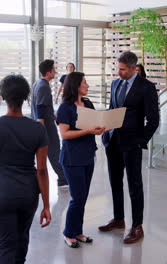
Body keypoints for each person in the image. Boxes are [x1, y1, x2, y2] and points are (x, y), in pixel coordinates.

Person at [0, 74, 51, 264]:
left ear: (3, 97)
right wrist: (46, 205)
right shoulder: (38, 129)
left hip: (2, 194)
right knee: (22, 242)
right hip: (28, 194)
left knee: (6, 246)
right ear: (25, 98)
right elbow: (42, 170)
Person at [99, 51, 159, 244]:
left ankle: (137, 226)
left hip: (132, 144)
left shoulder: (146, 87)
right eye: (118, 68)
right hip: (113, 141)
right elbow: (111, 108)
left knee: (134, 186)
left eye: (123, 69)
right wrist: (105, 128)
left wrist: (141, 141)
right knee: (115, 182)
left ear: (134, 68)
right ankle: (118, 219)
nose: (119, 72)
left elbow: (153, 119)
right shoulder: (116, 84)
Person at [56, 72, 105, 248]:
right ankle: (68, 233)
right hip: (71, 158)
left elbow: (94, 124)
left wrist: (100, 128)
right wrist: (88, 131)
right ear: (76, 85)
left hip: (87, 155)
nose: (88, 85)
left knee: (82, 197)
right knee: (77, 197)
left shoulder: (88, 103)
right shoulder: (65, 108)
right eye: (85, 82)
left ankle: (77, 231)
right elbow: (65, 134)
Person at [31, 59, 68, 188]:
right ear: (48, 72)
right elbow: (40, 107)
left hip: (44, 123)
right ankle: (63, 178)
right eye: (53, 69)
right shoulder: (43, 86)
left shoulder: (38, 84)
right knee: (55, 151)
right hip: (45, 127)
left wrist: (52, 115)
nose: (55, 72)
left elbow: (42, 105)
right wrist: (42, 129)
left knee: (49, 153)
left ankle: (62, 177)